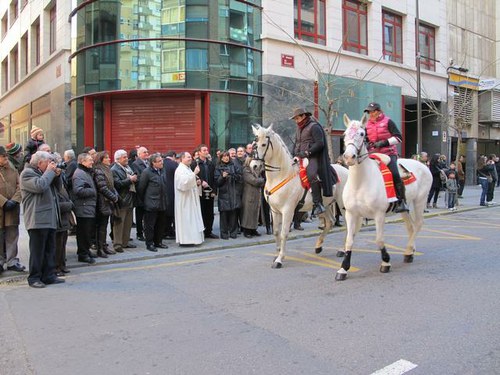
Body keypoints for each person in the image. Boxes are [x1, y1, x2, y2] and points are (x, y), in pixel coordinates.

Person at [20, 151, 64, 288]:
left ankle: (48, 275)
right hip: (36, 219)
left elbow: (58, 188)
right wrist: (50, 172)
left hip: (49, 218)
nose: (51, 165)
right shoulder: (27, 173)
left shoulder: (44, 173)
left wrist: (57, 175)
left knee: (49, 249)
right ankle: (34, 278)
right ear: (39, 163)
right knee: (37, 251)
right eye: (48, 162)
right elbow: (40, 186)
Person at [363, 102, 408, 213]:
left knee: (394, 173)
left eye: (372, 111)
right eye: (369, 112)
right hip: (373, 154)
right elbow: (366, 139)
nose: (370, 114)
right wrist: (367, 144)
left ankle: (401, 202)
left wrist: (384, 143)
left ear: (379, 111)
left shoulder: (388, 121)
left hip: (388, 153)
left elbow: (399, 138)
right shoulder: (366, 124)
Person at [291, 108, 335, 216]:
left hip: (313, 157)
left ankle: (317, 203)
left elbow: (320, 143)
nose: (296, 121)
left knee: (311, 175)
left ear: (304, 116)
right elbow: (297, 143)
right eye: (295, 119)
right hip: (300, 157)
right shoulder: (298, 129)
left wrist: (307, 153)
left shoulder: (314, 127)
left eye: (297, 118)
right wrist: (295, 154)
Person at [0, 146, 25, 274]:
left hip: (12, 207)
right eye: (3, 156)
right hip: (1, 207)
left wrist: (15, 200)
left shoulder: (12, 168)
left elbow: (19, 185)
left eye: (6, 156)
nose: (6, 158)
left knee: (12, 235)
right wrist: (3, 202)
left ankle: (12, 261)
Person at [137, 153, 168, 252]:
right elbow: (141, 188)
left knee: (161, 224)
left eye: (161, 160)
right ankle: (149, 243)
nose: (161, 162)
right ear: (153, 163)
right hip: (151, 203)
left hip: (162, 202)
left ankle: (158, 242)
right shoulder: (147, 172)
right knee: (149, 225)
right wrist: (145, 201)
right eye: (159, 161)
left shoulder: (162, 170)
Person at [174, 152, 204, 246]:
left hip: (191, 199)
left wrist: (196, 181)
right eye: (188, 157)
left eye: (190, 157)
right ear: (182, 158)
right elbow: (183, 184)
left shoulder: (187, 168)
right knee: (187, 219)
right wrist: (194, 174)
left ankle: (194, 239)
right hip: (185, 201)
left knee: (192, 219)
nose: (190, 159)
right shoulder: (180, 170)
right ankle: (186, 240)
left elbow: (190, 180)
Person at [72, 153, 98, 264]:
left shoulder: (85, 172)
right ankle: (83, 254)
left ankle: (86, 251)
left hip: (88, 207)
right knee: (83, 232)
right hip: (83, 208)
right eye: (89, 160)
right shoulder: (79, 174)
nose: (92, 162)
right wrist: (93, 191)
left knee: (87, 232)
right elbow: (78, 190)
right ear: (82, 161)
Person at [111, 149, 138, 253]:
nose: (127, 159)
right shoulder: (114, 170)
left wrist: (134, 178)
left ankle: (125, 242)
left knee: (128, 223)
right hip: (122, 200)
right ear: (118, 159)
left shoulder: (127, 167)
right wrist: (130, 180)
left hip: (130, 198)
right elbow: (117, 184)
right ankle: (117, 244)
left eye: (126, 156)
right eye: (124, 157)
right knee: (119, 223)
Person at [93, 151, 119, 257]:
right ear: (101, 159)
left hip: (107, 201)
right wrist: (113, 197)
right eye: (107, 158)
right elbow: (102, 187)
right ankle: (100, 248)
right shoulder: (99, 170)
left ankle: (103, 246)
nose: (109, 159)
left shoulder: (107, 169)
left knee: (104, 226)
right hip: (101, 202)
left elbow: (111, 186)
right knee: (101, 226)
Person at [191, 144, 217, 239]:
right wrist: (201, 182)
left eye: (207, 150)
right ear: (199, 152)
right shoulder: (194, 164)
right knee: (201, 212)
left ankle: (209, 231)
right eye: (204, 150)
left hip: (209, 191)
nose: (206, 152)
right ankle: (201, 231)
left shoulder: (211, 163)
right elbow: (192, 176)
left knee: (210, 213)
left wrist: (214, 190)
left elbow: (215, 177)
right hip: (199, 192)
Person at [53, 153, 73, 275]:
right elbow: (54, 202)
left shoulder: (61, 178)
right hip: (58, 217)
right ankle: (56, 266)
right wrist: (69, 205)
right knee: (57, 244)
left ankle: (62, 264)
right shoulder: (52, 180)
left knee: (62, 242)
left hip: (64, 217)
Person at [215, 151, 242, 239]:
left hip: (234, 194)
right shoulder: (218, 168)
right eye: (224, 156)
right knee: (224, 216)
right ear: (221, 158)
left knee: (233, 215)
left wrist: (233, 175)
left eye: (227, 156)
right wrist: (222, 177)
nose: (226, 158)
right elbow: (217, 183)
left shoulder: (233, 165)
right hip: (224, 195)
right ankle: (224, 234)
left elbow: (240, 177)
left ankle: (233, 233)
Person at [240, 157, 265, 238]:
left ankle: (254, 229)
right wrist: (262, 180)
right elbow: (254, 181)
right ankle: (247, 231)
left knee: (255, 212)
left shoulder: (255, 170)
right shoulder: (246, 170)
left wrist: (260, 180)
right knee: (248, 213)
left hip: (256, 194)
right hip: (249, 195)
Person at [131, 146, 149, 241]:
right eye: (144, 152)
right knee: (139, 213)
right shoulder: (135, 164)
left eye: (147, 152)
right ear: (139, 155)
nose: (146, 153)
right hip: (140, 192)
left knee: (147, 214)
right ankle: (139, 233)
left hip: (148, 192)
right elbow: (138, 177)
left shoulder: (149, 163)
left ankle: (147, 232)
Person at [163, 151, 177, 239]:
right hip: (172, 191)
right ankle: (168, 231)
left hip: (162, 190)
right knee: (170, 214)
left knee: (164, 213)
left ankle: (165, 231)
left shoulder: (161, 163)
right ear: (173, 156)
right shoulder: (174, 164)